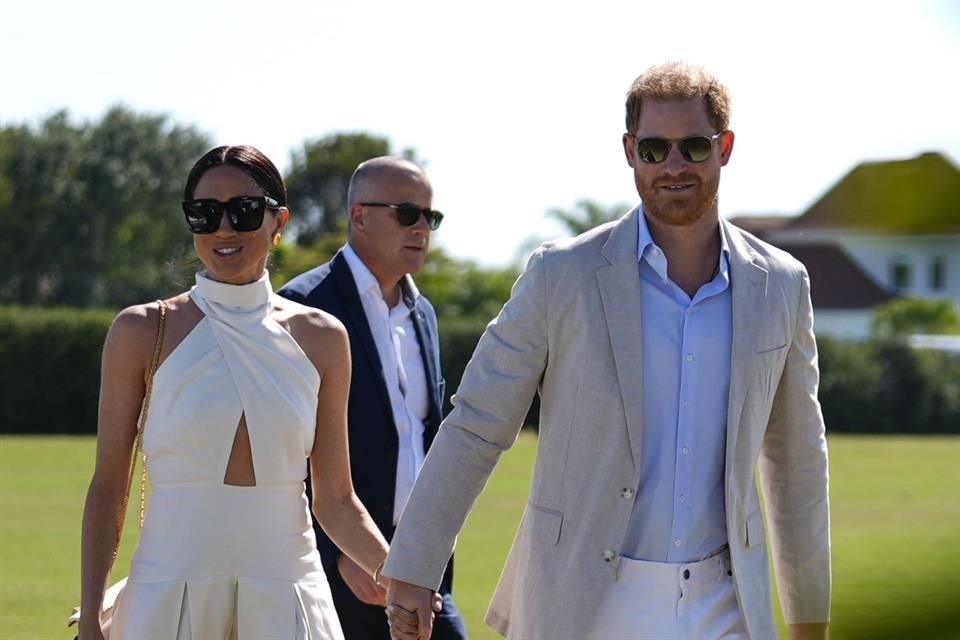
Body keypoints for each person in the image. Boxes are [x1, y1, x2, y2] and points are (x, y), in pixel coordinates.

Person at [384, 62, 832, 640]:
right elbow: (476, 425)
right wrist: (416, 566)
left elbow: (797, 459)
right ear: (629, 151)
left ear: (724, 148)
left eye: (693, 147)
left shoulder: (781, 284)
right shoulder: (561, 275)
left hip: (726, 604)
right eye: (654, 148)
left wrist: (809, 618)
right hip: (586, 600)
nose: (673, 165)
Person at [78, 145, 392, 640]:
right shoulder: (140, 330)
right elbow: (108, 488)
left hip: (289, 596)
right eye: (204, 214)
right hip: (167, 594)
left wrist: (398, 577)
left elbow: (335, 498)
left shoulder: (324, 337)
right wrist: (91, 613)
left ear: (278, 220)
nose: (223, 229)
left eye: (243, 212)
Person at [279, 157, 467, 639]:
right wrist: (339, 549)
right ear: (359, 216)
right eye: (408, 213)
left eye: (431, 217)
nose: (422, 228)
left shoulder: (422, 313)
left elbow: (421, 439)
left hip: (422, 562)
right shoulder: (303, 308)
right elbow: (280, 449)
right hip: (337, 572)